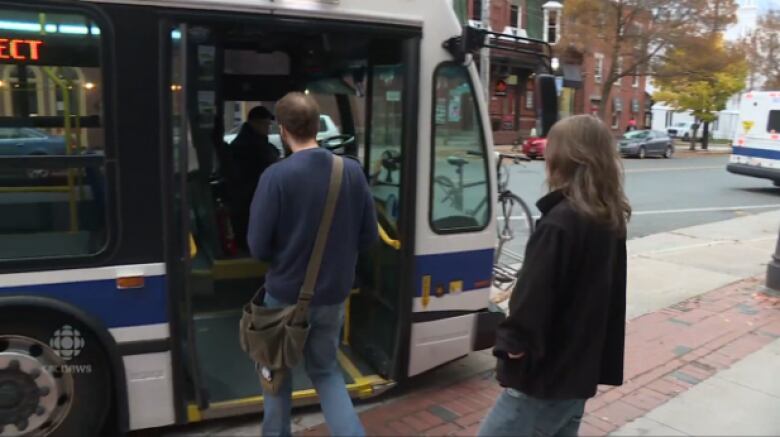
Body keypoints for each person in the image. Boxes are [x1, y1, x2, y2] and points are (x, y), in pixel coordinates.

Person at [478, 115, 631, 437]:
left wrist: (512, 345)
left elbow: (533, 300)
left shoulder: (559, 223)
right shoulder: (608, 217)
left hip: (542, 378)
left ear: (563, 159)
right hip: (578, 373)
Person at [247, 92, 377, 437]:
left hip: (284, 297)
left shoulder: (275, 177)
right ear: (317, 125)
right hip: (333, 295)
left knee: (276, 370)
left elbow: (258, 247)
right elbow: (368, 238)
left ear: (283, 129)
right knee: (327, 371)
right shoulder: (350, 171)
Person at [229, 106, 280, 250]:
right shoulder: (250, 145)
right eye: (266, 125)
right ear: (254, 123)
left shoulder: (254, 141)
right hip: (251, 194)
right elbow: (268, 165)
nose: (268, 129)